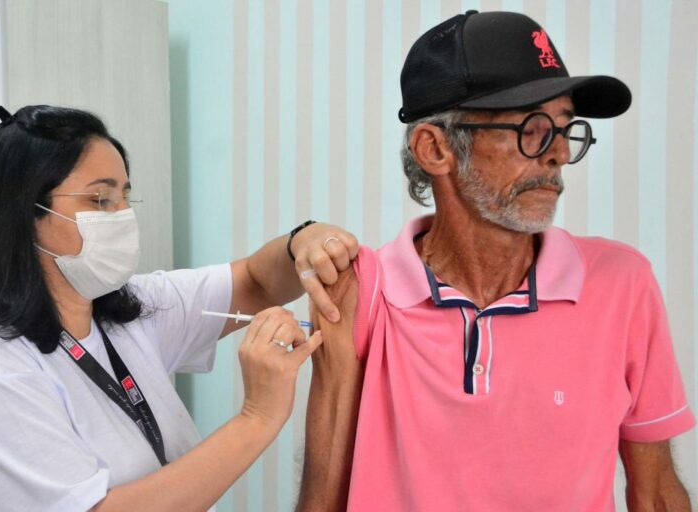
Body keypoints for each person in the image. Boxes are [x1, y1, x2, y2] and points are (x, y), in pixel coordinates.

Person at [296, 11, 695, 512]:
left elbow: (656, 491)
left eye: (566, 128)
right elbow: (322, 498)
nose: (558, 156)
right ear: (435, 148)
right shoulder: (358, 291)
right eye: (531, 127)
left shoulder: (623, 282)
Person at [0, 105, 358, 512]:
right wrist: (258, 416)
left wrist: (302, 240)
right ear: (24, 213)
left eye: (124, 199)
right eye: (99, 201)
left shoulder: (128, 311)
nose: (120, 217)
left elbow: (256, 280)